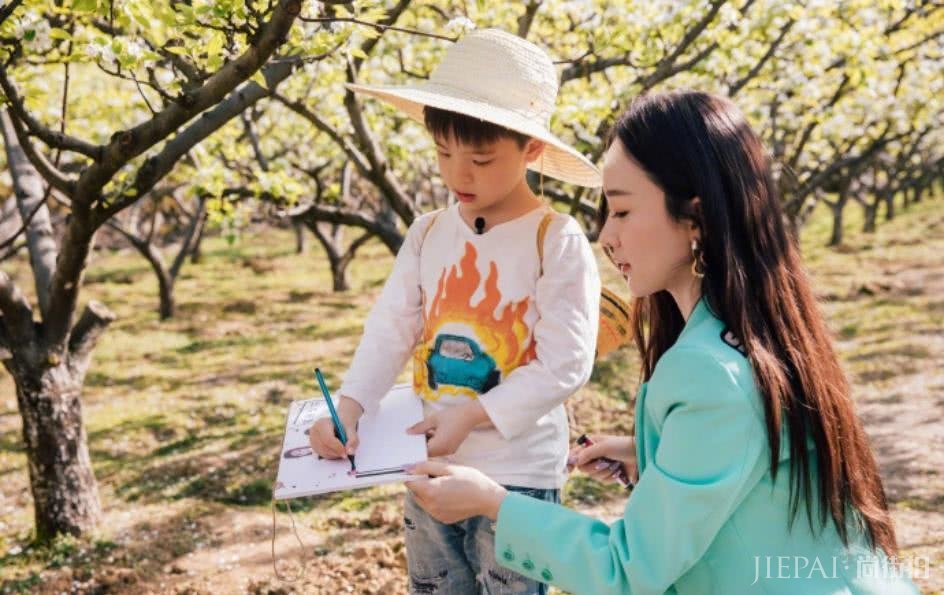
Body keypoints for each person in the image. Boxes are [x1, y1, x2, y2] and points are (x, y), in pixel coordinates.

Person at [405, 90, 920, 594]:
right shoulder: (757, 334)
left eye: (623, 212)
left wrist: (493, 503)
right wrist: (650, 455)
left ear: (694, 216)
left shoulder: (707, 373)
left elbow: (628, 569)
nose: (606, 237)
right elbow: (755, 463)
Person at [309, 28, 602, 594]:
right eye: (443, 153)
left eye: (481, 159)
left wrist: (472, 415)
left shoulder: (554, 239)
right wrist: (351, 406)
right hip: (426, 468)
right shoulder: (427, 234)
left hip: (516, 481)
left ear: (532, 149)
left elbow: (567, 362)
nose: (457, 175)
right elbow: (391, 327)